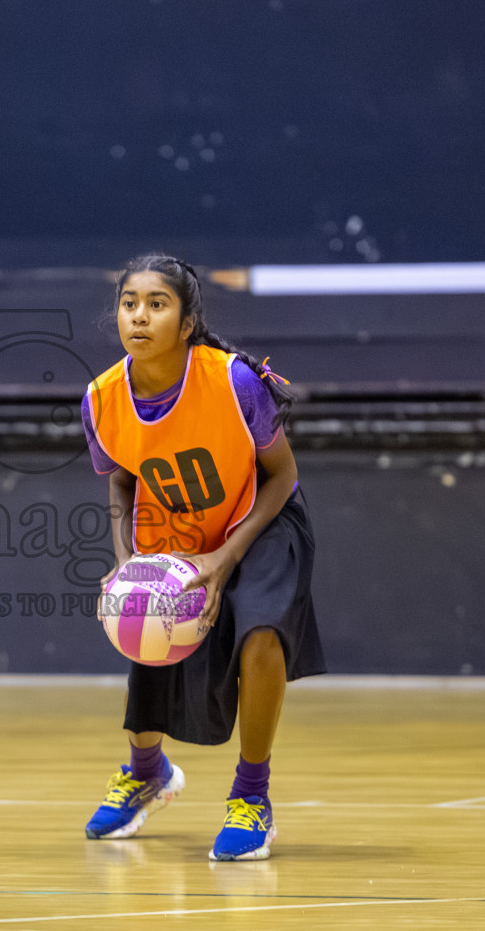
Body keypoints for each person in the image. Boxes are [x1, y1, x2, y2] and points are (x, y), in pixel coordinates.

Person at [80, 253, 323, 861]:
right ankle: (146, 771)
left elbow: (283, 475)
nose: (139, 316)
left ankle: (252, 797)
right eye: (129, 303)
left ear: (186, 323)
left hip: (260, 517)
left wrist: (224, 558)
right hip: (176, 525)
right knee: (146, 630)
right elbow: (119, 480)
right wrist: (125, 560)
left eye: (156, 304)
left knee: (260, 633)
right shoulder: (102, 398)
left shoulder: (233, 380)